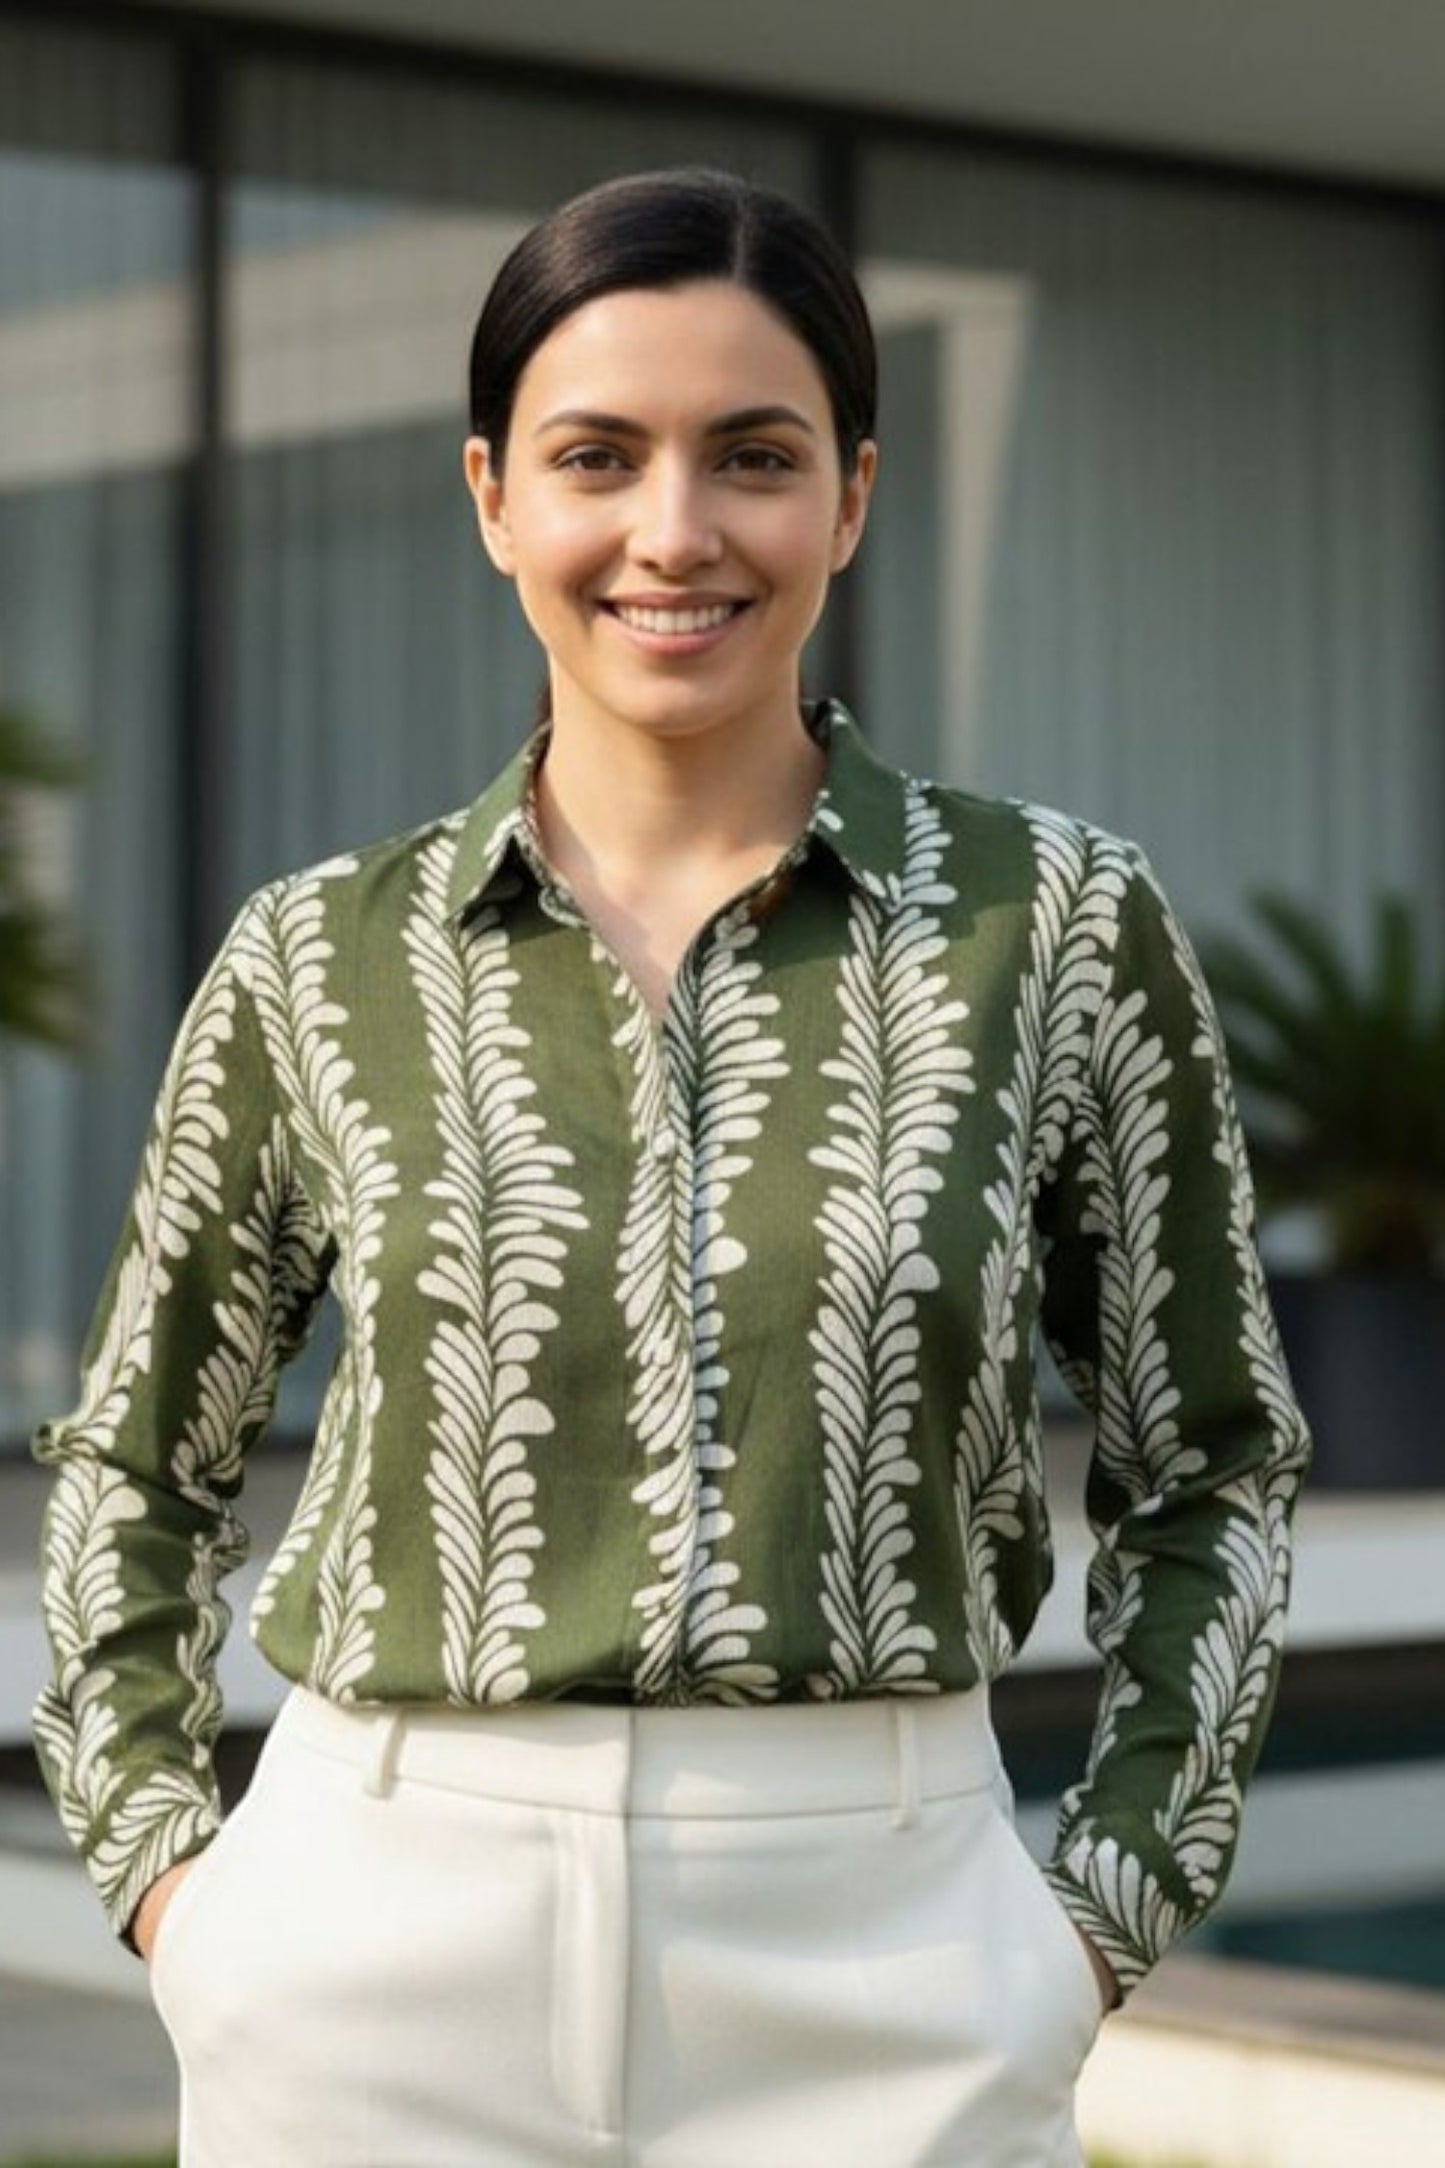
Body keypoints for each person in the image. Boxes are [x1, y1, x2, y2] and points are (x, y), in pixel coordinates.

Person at [33, 166, 1311, 2167]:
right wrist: (174, 1888)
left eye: (755, 455)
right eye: (596, 456)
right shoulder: (316, 955)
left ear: (856, 497)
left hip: (892, 1945)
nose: (674, 530)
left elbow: (1212, 1454)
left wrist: (1098, 1911)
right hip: (372, 1940)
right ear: (490, 496)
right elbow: (136, 1457)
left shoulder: (1054, 924)